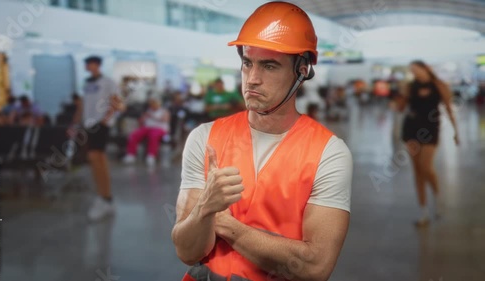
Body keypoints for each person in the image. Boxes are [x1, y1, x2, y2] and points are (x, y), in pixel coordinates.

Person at [172, 2, 353, 280]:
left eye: (269, 66)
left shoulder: (328, 153)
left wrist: (227, 226)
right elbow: (187, 251)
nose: (252, 79)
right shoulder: (204, 138)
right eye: (247, 63)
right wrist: (205, 207)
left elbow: (315, 267)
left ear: (301, 70)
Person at [399, 60, 459, 227]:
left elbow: (448, 107)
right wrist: (402, 94)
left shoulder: (438, 85)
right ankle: (423, 211)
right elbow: (400, 108)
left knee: (426, 167)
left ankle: (437, 195)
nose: (415, 72)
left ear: (425, 68)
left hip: (430, 129)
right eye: (412, 70)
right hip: (411, 129)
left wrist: (456, 131)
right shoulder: (411, 86)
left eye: (416, 69)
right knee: (417, 170)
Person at [72, 55, 124, 221]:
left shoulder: (108, 82)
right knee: (96, 160)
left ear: (97, 65)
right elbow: (82, 105)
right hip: (88, 125)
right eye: (86, 64)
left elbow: (116, 102)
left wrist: (105, 120)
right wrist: (76, 124)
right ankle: (105, 198)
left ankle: (104, 198)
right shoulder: (87, 83)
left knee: (96, 157)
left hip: (100, 125)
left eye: (90, 63)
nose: (88, 66)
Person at [122, 97, 170, 166]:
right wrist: (143, 117)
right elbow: (141, 121)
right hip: (147, 128)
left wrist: (152, 116)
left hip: (159, 129)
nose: (153, 105)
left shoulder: (164, 111)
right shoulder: (148, 111)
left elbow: (165, 119)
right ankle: (131, 154)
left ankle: (151, 156)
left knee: (153, 136)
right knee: (134, 135)